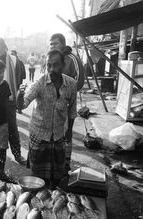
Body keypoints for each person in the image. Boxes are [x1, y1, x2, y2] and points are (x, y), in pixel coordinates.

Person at [16, 50, 77, 189]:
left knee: (57, 175)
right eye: (48, 65)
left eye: (55, 65)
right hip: (39, 135)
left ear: (63, 64)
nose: (51, 69)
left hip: (58, 135)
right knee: (37, 176)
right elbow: (22, 105)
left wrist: (70, 131)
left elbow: (72, 110)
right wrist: (20, 95)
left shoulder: (71, 84)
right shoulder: (40, 83)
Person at [50, 33, 84, 174]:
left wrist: (66, 92)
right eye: (51, 44)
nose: (52, 46)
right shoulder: (51, 58)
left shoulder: (72, 58)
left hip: (67, 103)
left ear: (63, 44)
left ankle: (66, 164)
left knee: (66, 135)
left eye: (55, 43)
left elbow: (80, 80)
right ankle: (54, 163)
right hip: (51, 103)